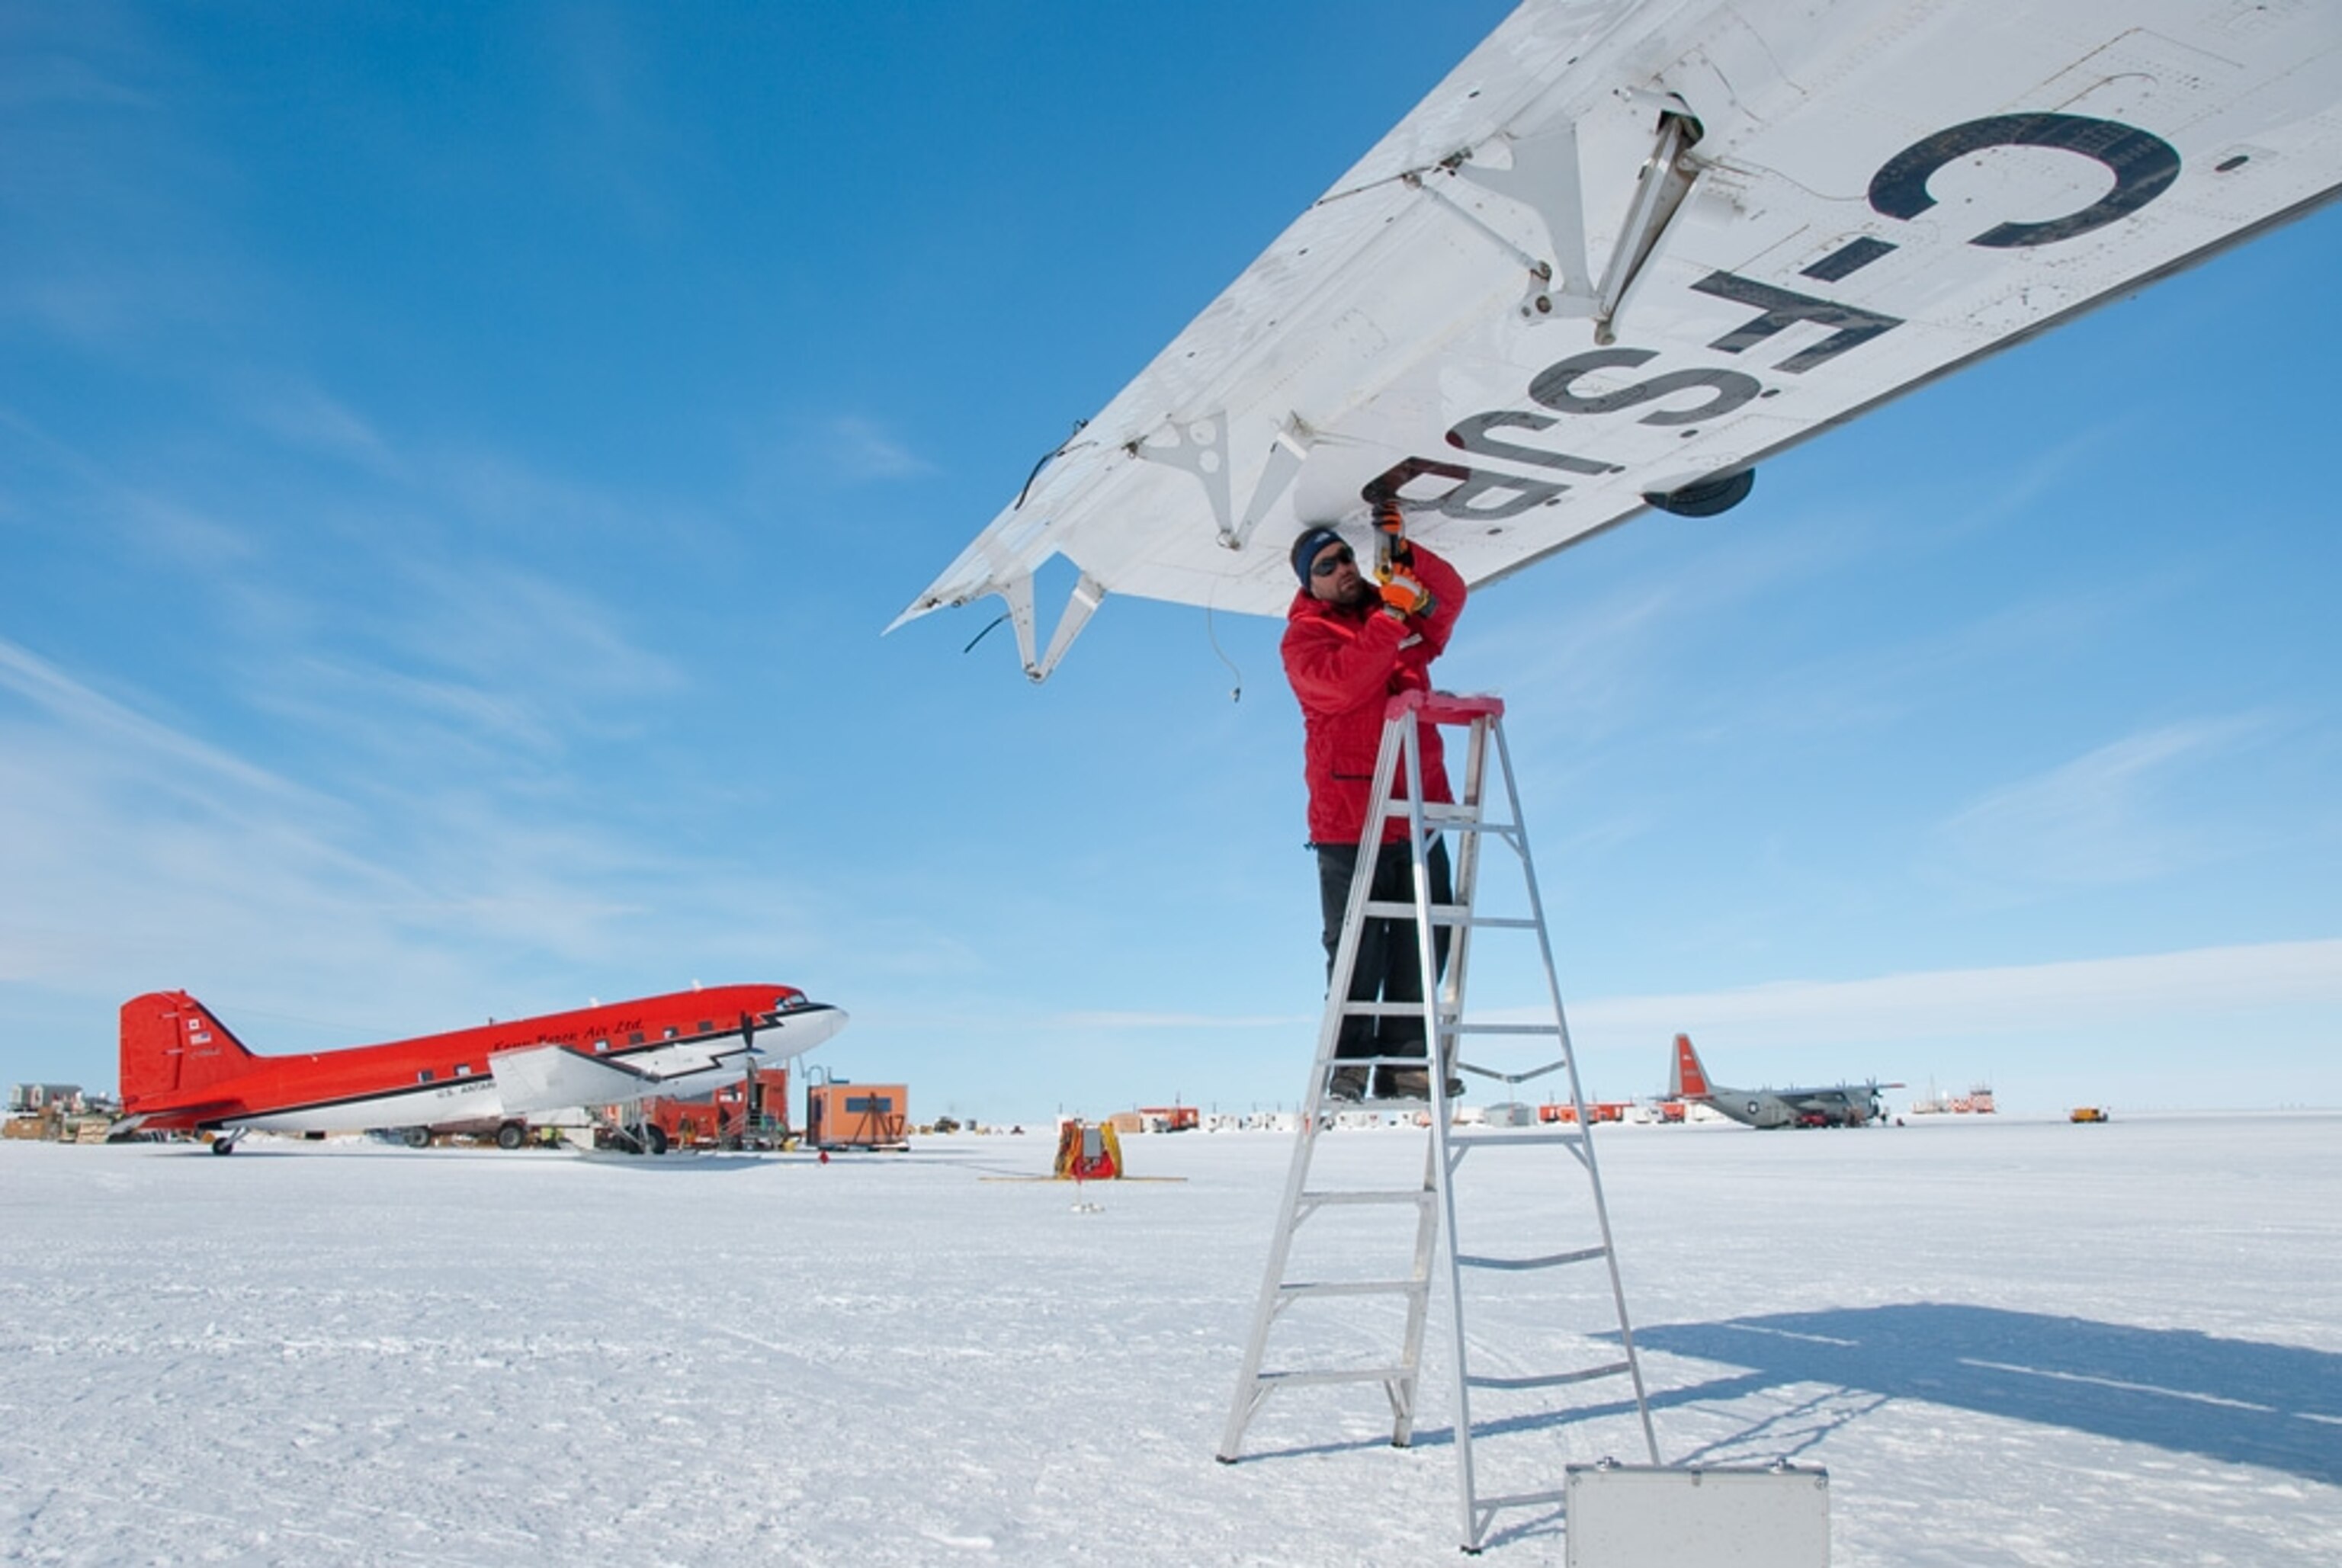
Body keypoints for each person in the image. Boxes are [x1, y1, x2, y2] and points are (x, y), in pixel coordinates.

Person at [1280, 505, 1466, 1101]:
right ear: (1309, 582)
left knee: (1424, 936)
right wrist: (1388, 618)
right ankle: (1350, 1067)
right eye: (1328, 565)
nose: (1344, 569)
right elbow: (1339, 685)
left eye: (1348, 558)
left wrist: (1402, 554)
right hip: (1351, 820)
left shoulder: (1390, 616)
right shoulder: (1306, 638)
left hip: (1417, 807)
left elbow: (1450, 598)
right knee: (1358, 944)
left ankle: (1407, 1063)